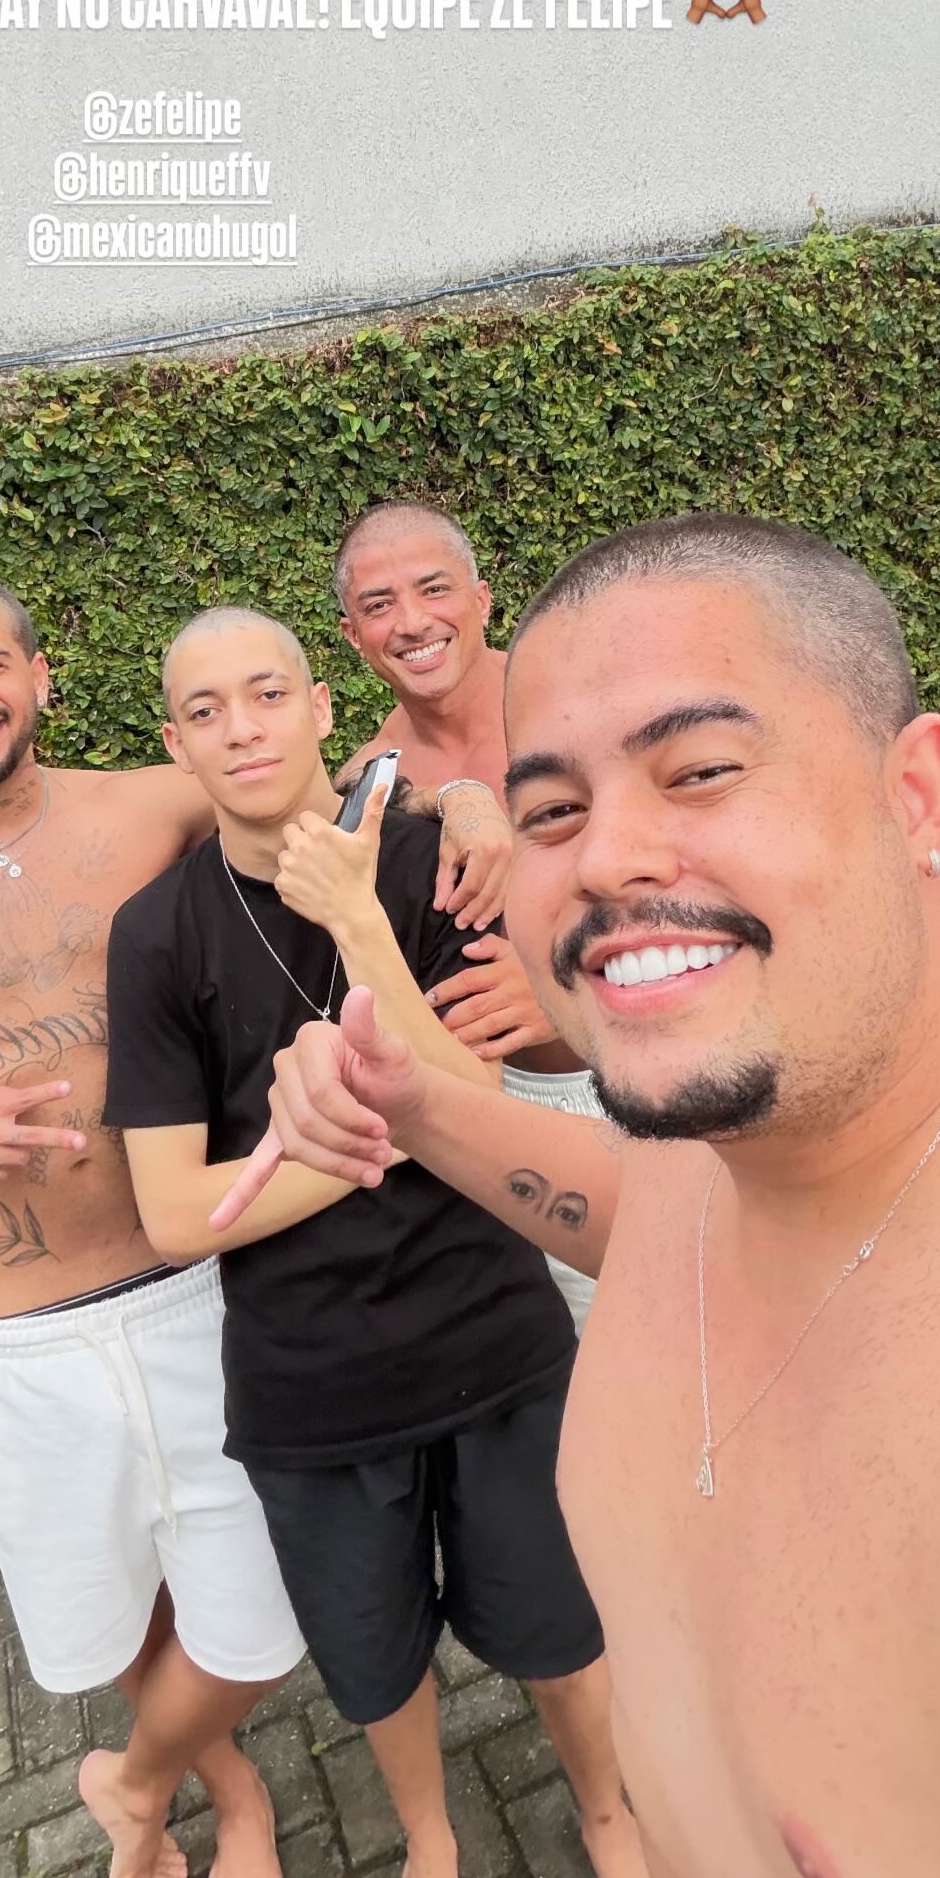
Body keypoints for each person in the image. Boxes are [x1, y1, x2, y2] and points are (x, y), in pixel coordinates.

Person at [214, 513, 940, 1878]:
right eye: (551, 809)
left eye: (701, 771)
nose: (606, 858)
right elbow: (642, 1209)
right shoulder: (736, 1141)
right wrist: (417, 1100)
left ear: (920, 793)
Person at [0, 567, 504, 1878]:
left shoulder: (157, 800)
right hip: (18, 1335)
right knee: (114, 1609)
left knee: (257, 1617)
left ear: (40, 679)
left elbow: (343, 783)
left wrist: (471, 802)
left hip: (196, 1284)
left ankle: (134, 1778)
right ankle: (233, 1801)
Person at [103, 607, 651, 1878]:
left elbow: (480, 1100)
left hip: (495, 1337)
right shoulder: (158, 934)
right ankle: (430, 1836)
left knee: (562, 1621)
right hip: (314, 1381)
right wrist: (394, 1140)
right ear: (177, 746)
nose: (242, 729)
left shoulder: (431, 870)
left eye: (267, 694)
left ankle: (608, 1813)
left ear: (318, 710)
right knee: (374, 1656)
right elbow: (176, 1216)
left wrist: (356, 921)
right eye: (205, 711)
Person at [334, 499, 601, 1327]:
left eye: (434, 589)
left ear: (482, 599)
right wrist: (453, 794)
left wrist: (567, 992)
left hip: (630, 1075)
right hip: (490, 1122)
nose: (413, 622)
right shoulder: (373, 776)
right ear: (353, 636)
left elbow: (695, 875)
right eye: (380, 605)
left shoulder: (579, 706)